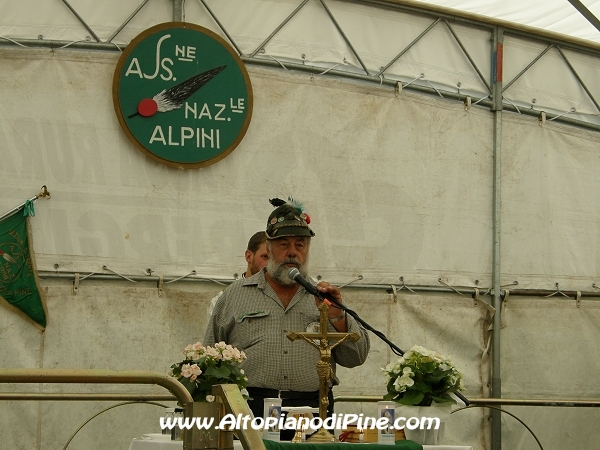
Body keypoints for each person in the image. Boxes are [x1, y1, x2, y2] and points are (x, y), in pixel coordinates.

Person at [204, 198, 370, 433]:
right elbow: (209, 359)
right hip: (249, 409)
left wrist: (337, 316)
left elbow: (357, 357)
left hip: (313, 412)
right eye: (284, 244)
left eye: (300, 245)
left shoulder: (324, 297)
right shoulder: (234, 295)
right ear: (269, 249)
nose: (292, 252)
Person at [207, 231, 269, 316]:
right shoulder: (224, 299)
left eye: (274, 258)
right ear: (249, 256)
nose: (270, 264)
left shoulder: (283, 297)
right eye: (265, 257)